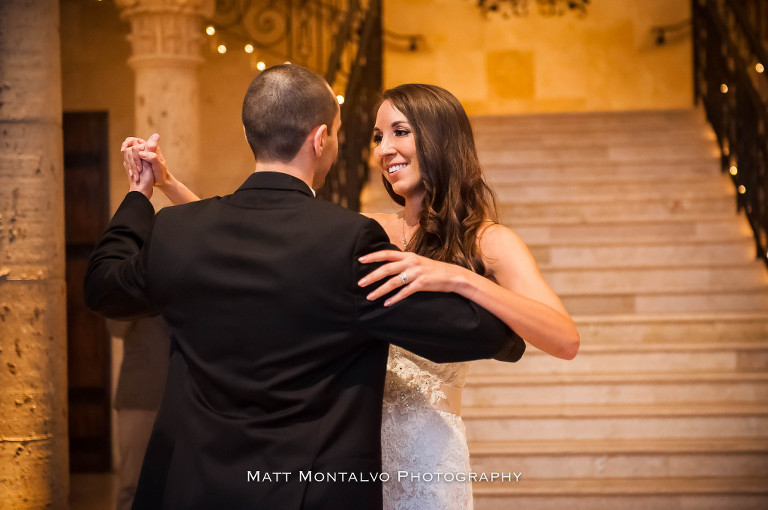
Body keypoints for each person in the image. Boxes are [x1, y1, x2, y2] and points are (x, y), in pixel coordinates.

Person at [84, 64, 525, 510]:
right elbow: (480, 333)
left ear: (247, 133)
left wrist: (142, 194)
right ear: (320, 140)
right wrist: (469, 288)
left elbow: (103, 285)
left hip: (191, 489)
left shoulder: (178, 231)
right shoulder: (347, 242)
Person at [107, 316, 171, 510]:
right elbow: (116, 327)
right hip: (139, 394)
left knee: (176, 487)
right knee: (132, 487)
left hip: (184, 393)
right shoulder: (131, 286)